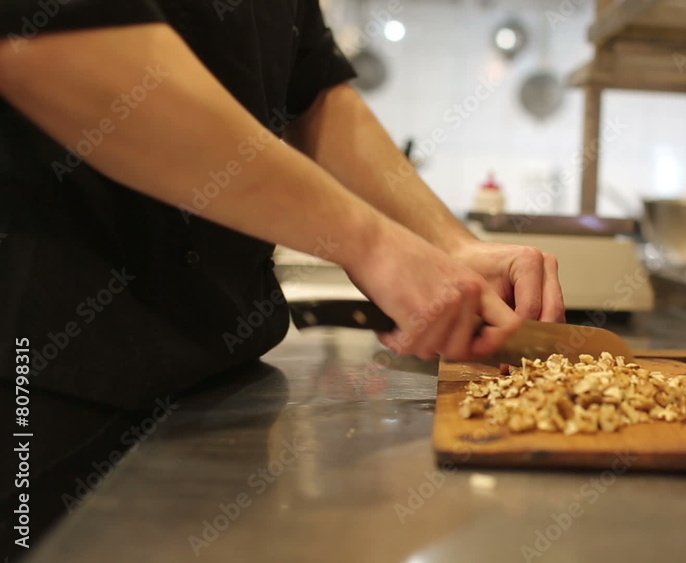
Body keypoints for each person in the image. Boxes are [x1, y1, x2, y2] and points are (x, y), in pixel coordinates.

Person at [0, 0, 565, 555]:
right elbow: (56, 49)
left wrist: (450, 246)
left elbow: (314, 96)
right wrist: (370, 242)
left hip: (218, 387)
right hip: (48, 377)